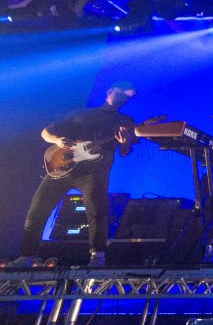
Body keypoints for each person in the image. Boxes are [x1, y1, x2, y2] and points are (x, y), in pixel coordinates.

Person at [13, 81, 137, 268]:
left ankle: (98, 256)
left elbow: (125, 152)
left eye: (129, 96)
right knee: (37, 210)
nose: (124, 98)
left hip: (94, 172)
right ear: (110, 91)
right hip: (61, 168)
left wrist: (125, 142)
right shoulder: (81, 114)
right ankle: (26, 256)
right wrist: (57, 140)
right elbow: (46, 132)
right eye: (122, 93)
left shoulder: (125, 121)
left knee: (97, 212)